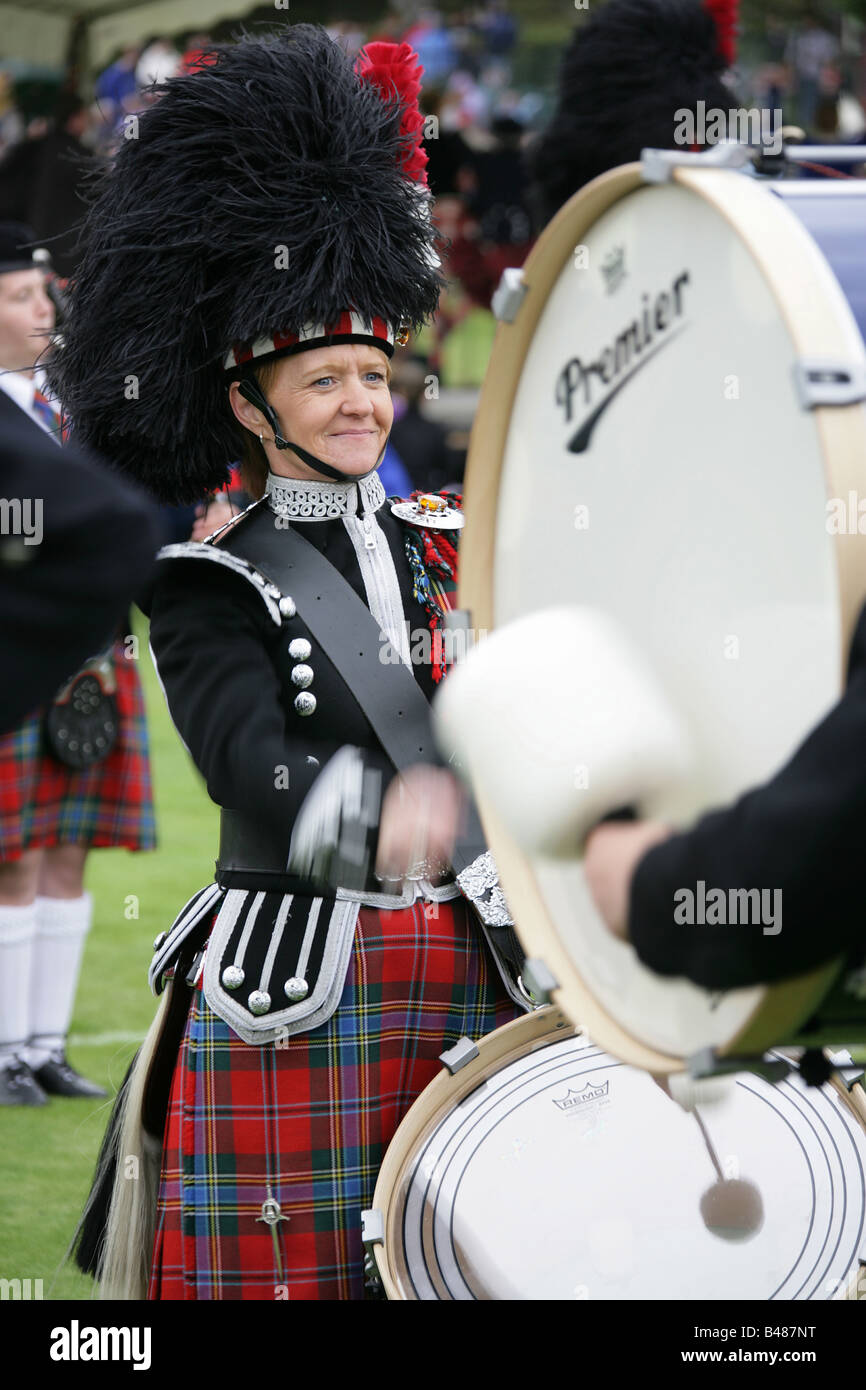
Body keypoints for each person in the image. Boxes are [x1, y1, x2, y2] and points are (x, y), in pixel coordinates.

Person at [57, 26, 523, 1301]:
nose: (364, 405)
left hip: (474, 971)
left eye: (375, 376)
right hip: (304, 979)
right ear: (252, 406)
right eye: (326, 380)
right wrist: (374, 821)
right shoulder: (207, 584)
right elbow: (248, 763)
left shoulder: (448, 544)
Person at [0, 222, 157, 1106]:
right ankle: (4, 1052)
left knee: (69, 850)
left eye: (45, 293)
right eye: (21, 296)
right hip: (18, 651)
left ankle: (44, 1049)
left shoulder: (72, 401)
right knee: (12, 857)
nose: (43, 310)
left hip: (92, 658)